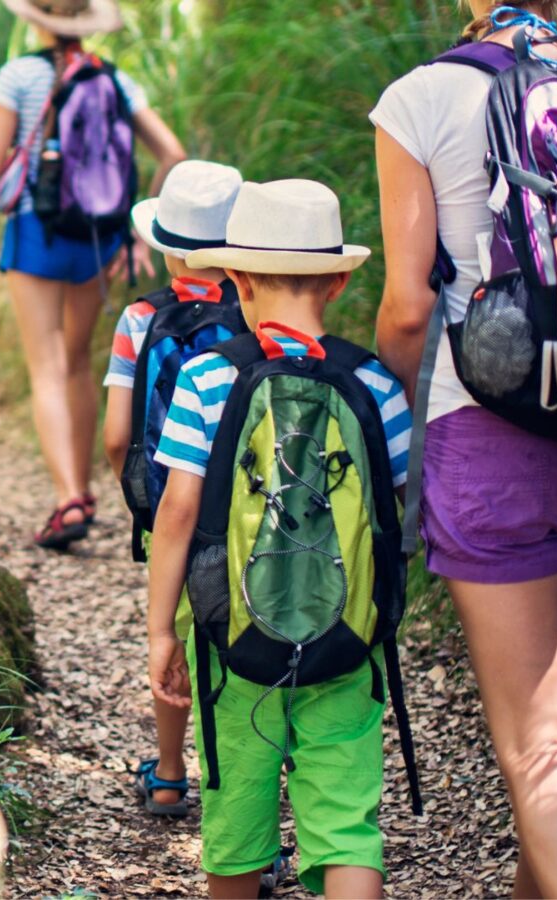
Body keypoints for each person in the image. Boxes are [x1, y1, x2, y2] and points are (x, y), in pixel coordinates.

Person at [370, 2, 557, 895]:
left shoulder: (422, 97)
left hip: (490, 432)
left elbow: (409, 309)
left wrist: (405, 408)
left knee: (538, 750)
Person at [147, 179, 411, 900]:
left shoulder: (207, 379)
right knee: (347, 825)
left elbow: (177, 513)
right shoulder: (375, 383)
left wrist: (162, 632)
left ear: (236, 278)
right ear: (337, 281)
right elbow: (401, 513)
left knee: (236, 817)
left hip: (233, 638)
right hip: (347, 636)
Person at [0, 0, 185, 550]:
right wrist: (136, 232)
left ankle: (69, 497)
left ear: (37, 18)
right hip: (96, 236)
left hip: (37, 232)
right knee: (78, 362)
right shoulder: (115, 79)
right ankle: (86, 491)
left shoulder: (19, 75)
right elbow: (172, 153)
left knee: (46, 366)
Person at [101, 159, 244, 818]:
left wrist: (142, 497)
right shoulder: (258, 314)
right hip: (248, 510)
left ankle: (167, 773)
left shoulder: (140, 318)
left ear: (166, 248)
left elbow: (116, 434)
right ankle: (240, 791)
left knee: (175, 639)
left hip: (173, 512)